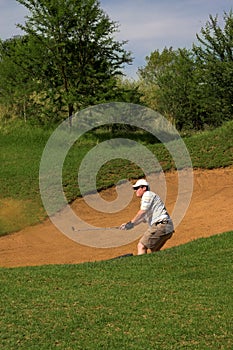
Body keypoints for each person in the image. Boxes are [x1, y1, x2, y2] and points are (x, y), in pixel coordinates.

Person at [120, 179, 174, 255]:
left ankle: (140, 266)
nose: (135, 191)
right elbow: (142, 218)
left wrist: (131, 223)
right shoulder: (149, 198)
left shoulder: (147, 194)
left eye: (137, 188)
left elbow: (142, 212)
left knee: (141, 246)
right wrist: (128, 225)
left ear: (144, 188)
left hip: (161, 225)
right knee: (154, 250)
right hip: (167, 226)